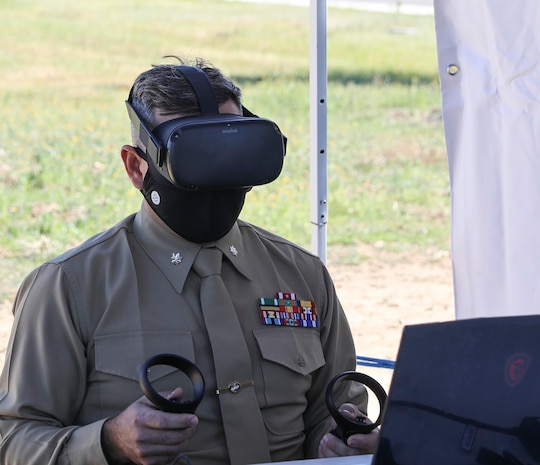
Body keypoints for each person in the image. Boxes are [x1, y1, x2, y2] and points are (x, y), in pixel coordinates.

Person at [0, 57, 379, 465]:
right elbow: (13, 441)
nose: (216, 176)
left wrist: (342, 441)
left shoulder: (303, 276)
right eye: (193, 155)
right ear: (135, 166)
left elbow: (336, 409)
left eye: (231, 152)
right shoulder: (69, 287)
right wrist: (109, 442)